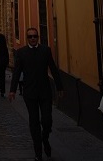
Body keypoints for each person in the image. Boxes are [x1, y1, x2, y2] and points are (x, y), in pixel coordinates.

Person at [9, 27, 64, 161]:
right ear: (27, 38)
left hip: (45, 91)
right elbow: (16, 72)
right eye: (30, 36)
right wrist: (12, 90)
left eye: (35, 36)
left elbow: (53, 68)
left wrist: (59, 86)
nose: (33, 38)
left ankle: (45, 138)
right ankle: (38, 153)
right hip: (30, 93)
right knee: (34, 122)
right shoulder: (21, 53)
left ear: (38, 37)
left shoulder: (45, 50)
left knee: (47, 120)